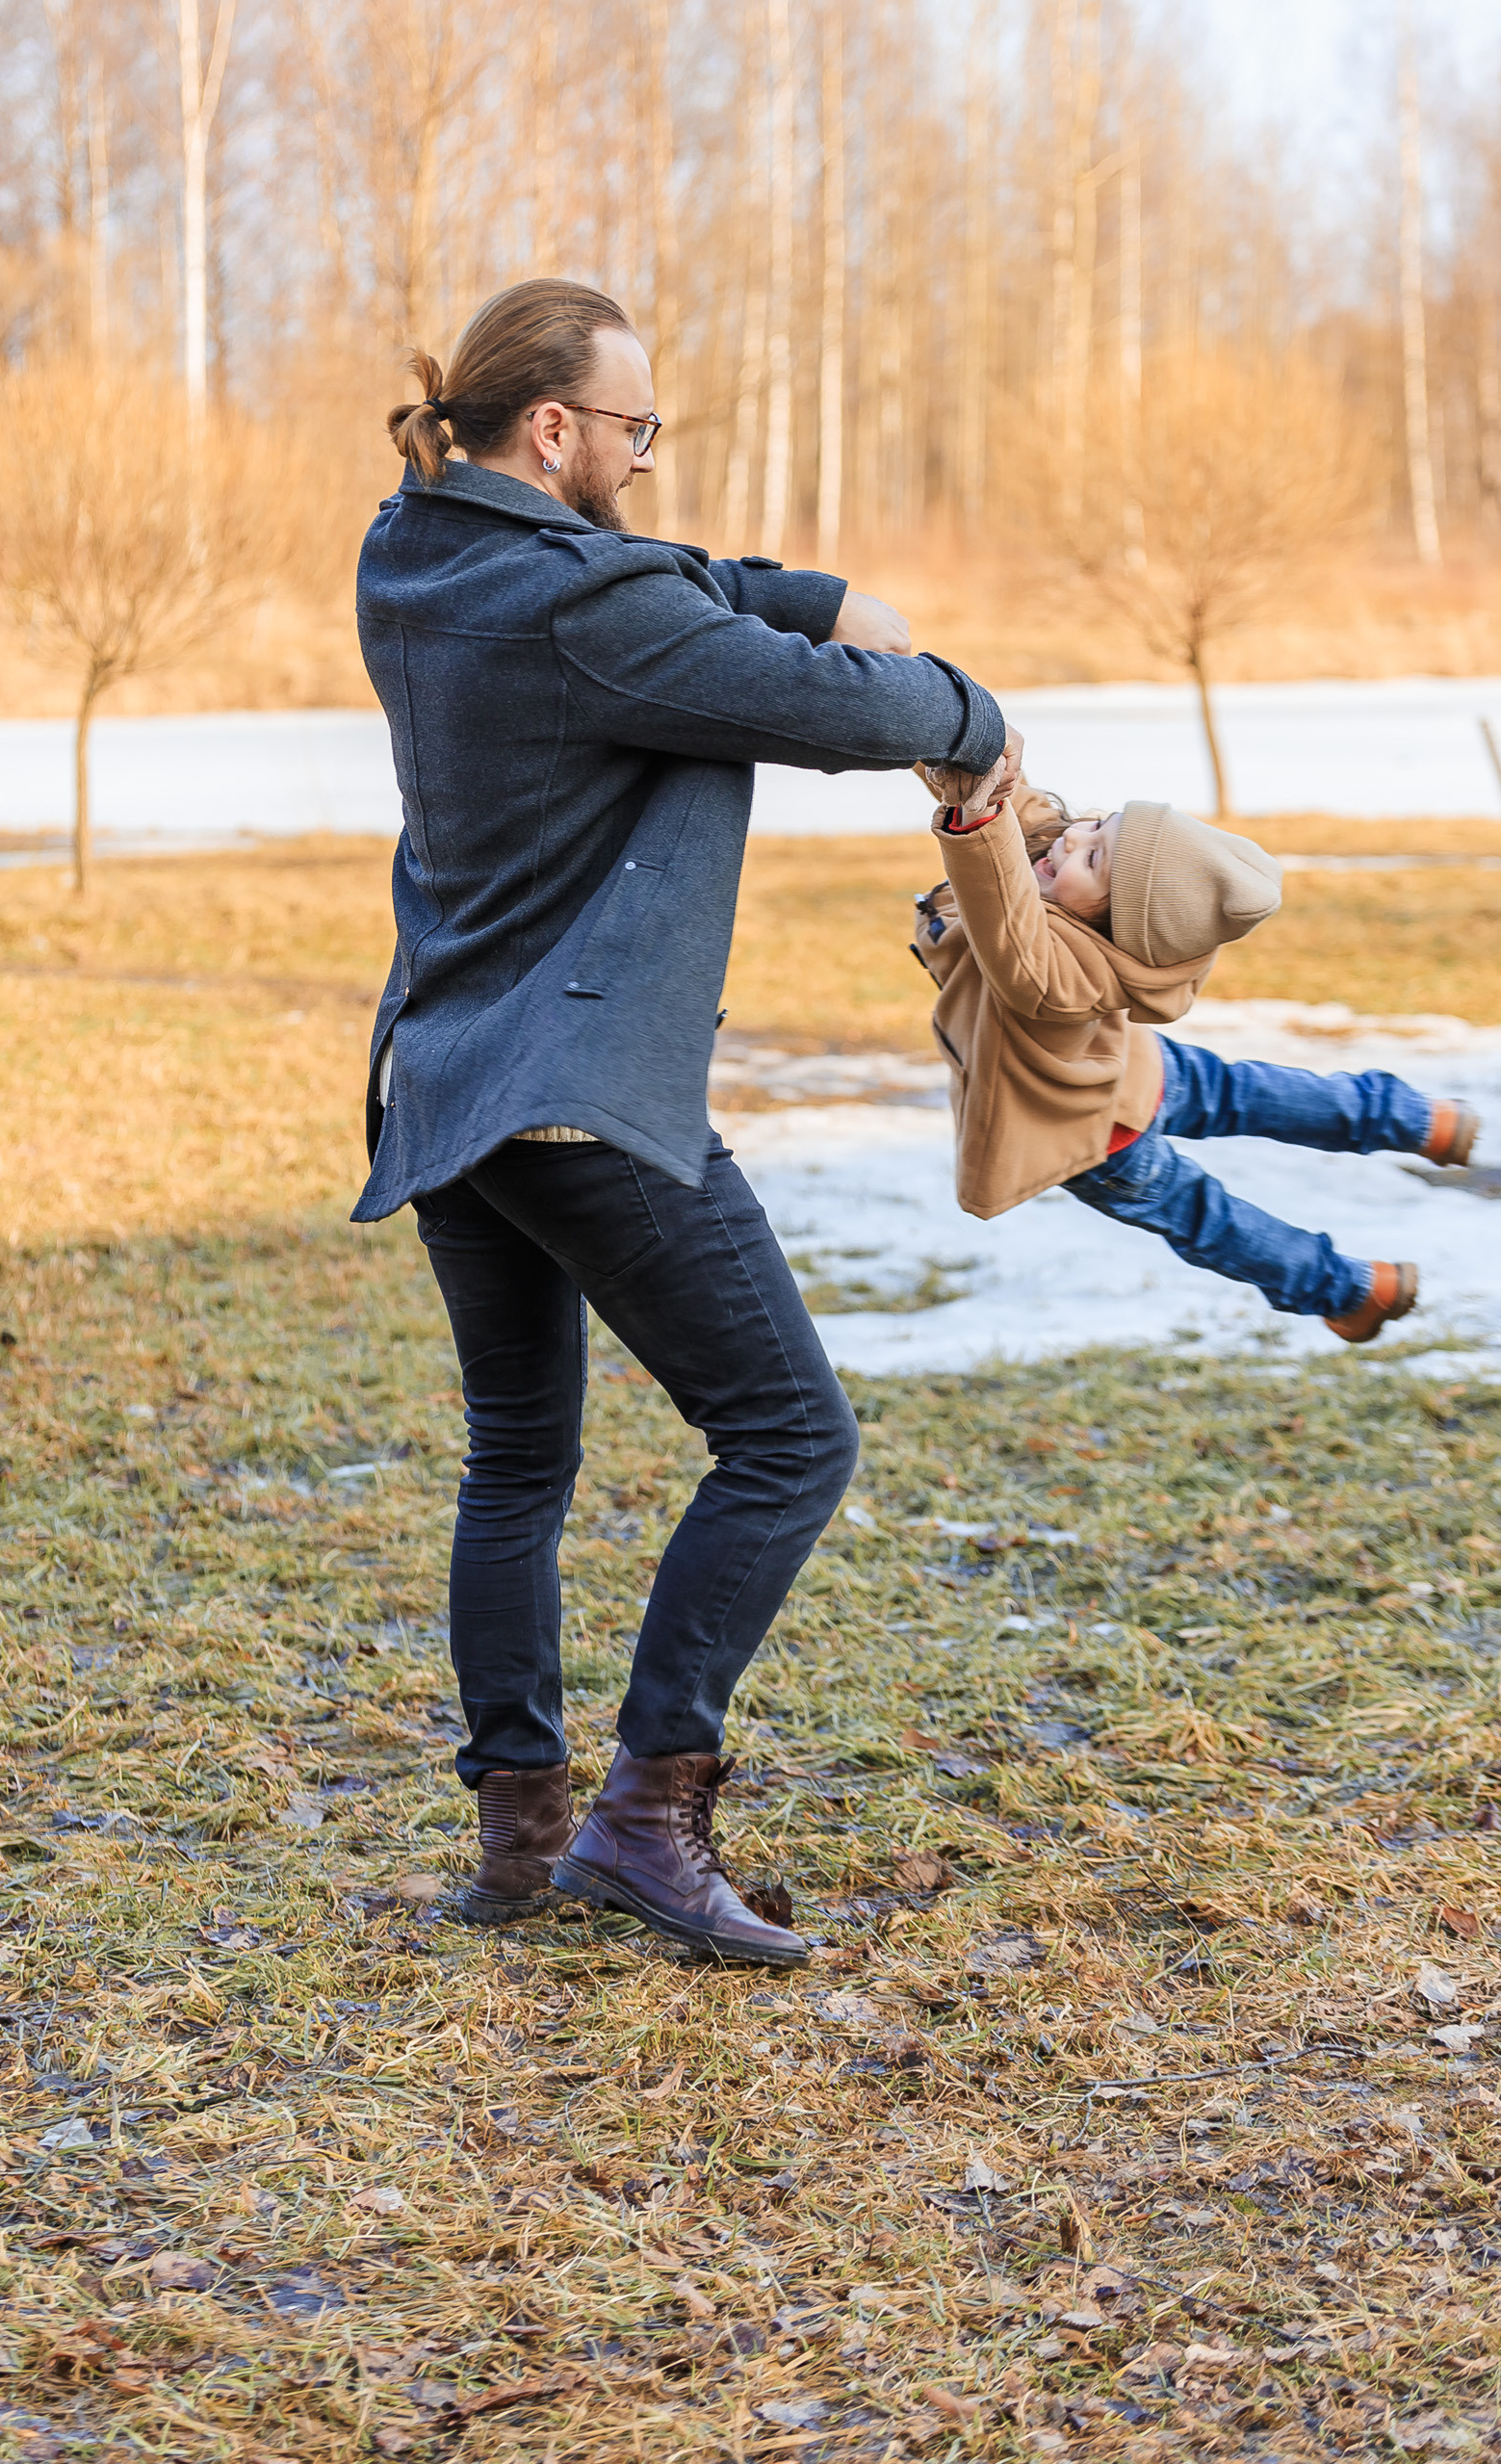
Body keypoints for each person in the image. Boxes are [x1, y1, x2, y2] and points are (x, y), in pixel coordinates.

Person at [353, 277, 1010, 1967]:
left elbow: (677, 585)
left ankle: (518, 1839)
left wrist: (823, 593)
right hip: (576, 1096)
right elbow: (836, 707)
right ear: (551, 429)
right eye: (633, 429)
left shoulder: (413, 552)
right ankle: (647, 1822)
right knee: (791, 1438)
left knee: (518, 1456)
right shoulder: (585, 611)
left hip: (445, 1078)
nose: (647, 457)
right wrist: (974, 720)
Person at [910, 748, 1479, 1337]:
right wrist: (947, 736)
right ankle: (1417, 1120)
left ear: (1116, 922)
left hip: (1093, 1137)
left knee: (1205, 1219)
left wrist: (977, 825)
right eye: (1097, 827)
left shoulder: (1048, 965)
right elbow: (1007, 799)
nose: (1073, 839)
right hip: (1133, 1068)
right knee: (1248, 1092)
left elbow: (1004, 915)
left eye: (1095, 857)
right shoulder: (1055, 862)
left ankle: (1352, 1291)